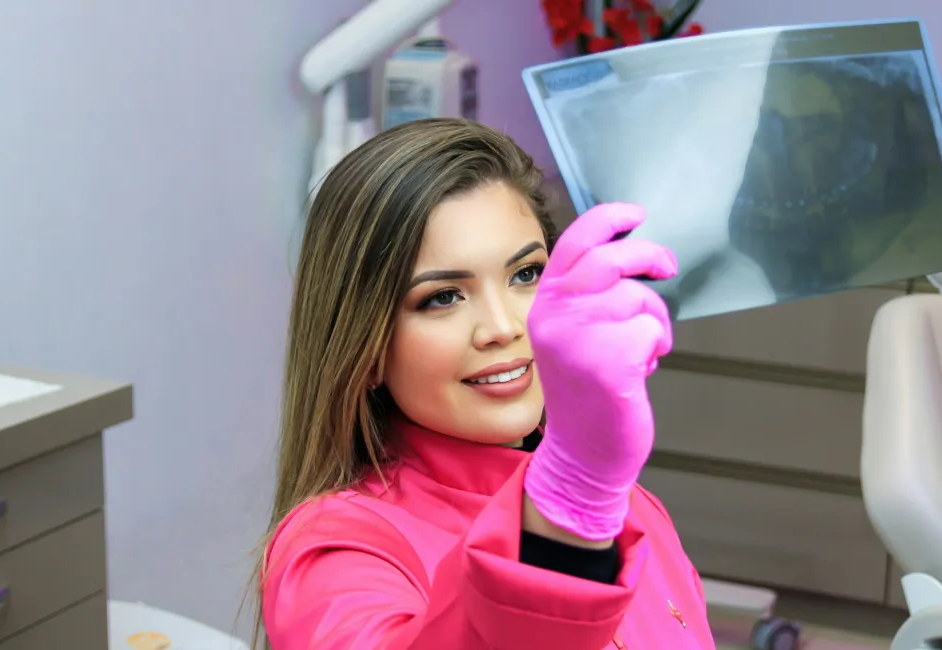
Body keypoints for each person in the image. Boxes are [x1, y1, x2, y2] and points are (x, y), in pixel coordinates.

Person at [255, 118, 717, 649]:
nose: (503, 327)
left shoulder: (629, 505)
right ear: (367, 349)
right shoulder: (335, 553)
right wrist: (568, 501)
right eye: (442, 297)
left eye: (526, 274)